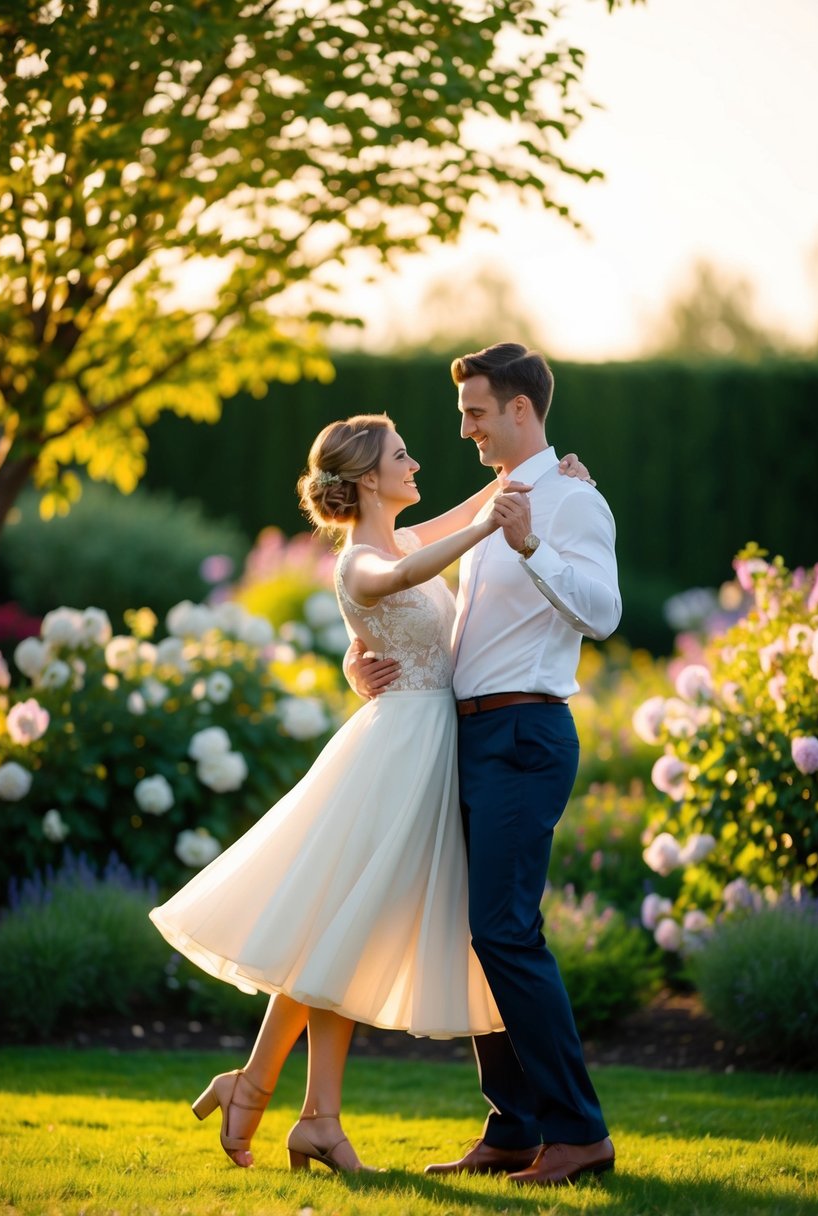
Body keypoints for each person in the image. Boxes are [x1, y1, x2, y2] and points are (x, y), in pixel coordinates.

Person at [149, 412, 589, 1174]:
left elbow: (476, 506)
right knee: (343, 926)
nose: (416, 462)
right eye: (400, 455)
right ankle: (281, 1099)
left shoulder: (404, 537)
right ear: (364, 480)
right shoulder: (361, 560)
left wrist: (550, 491)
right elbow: (404, 579)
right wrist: (494, 526)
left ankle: (279, 1097)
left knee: (341, 928)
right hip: (396, 755)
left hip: (427, 748)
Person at [350, 343, 621, 1188]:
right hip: (467, 735)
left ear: (519, 410)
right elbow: (394, 578)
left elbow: (604, 614)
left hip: (524, 735)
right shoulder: (500, 500)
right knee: (482, 937)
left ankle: (578, 1133)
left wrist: (535, 545)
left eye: (474, 412)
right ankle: (512, 1127)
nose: (462, 427)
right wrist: (359, 666)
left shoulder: (573, 501)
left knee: (504, 930)